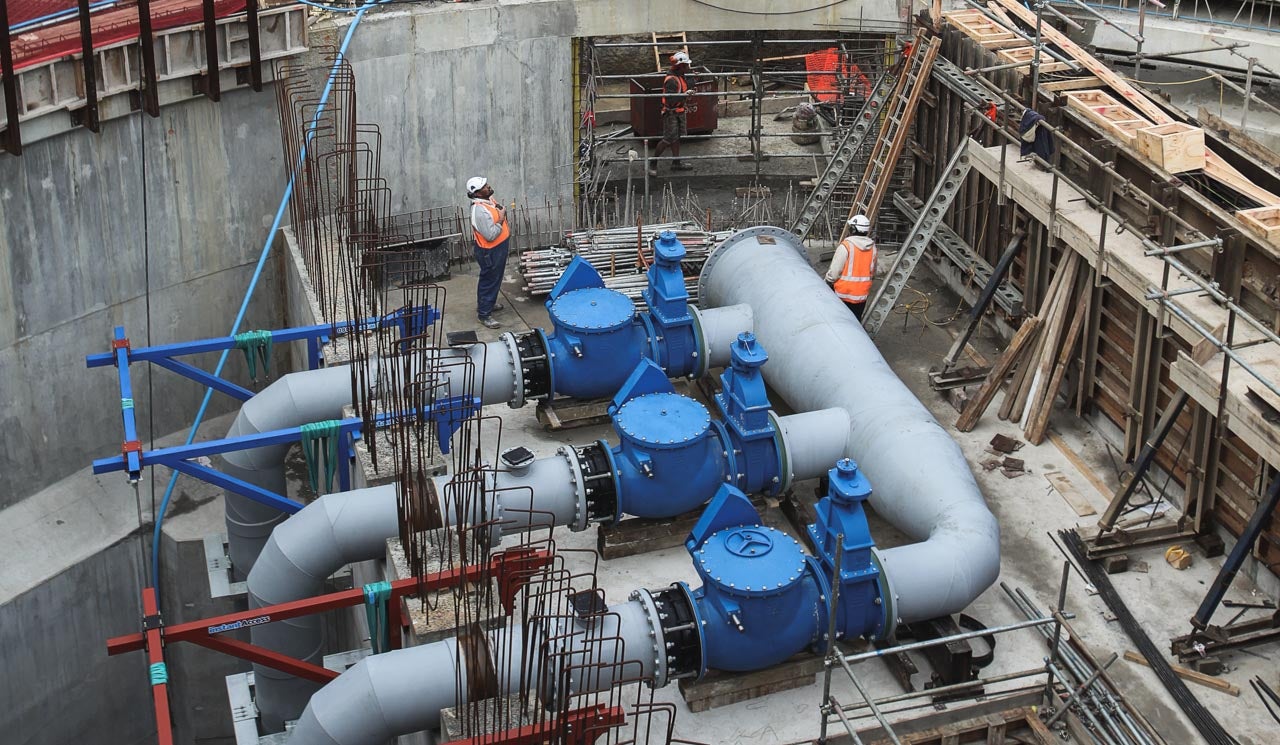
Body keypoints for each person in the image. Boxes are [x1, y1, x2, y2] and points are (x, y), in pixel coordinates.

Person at [467, 176, 509, 329]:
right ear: (477, 193)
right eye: (484, 186)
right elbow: (490, 235)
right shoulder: (479, 210)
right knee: (489, 280)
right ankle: (484, 314)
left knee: (495, 279)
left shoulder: (488, 198)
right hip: (490, 251)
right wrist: (501, 219)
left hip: (498, 248)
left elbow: (496, 208)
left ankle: (488, 303)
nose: (488, 187)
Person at [648, 52, 695, 177]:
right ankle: (653, 163)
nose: (688, 68)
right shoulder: (671, 80)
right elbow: (670, 99)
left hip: (679, 111)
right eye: (686, 66)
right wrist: (685, 95)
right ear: (680, 66)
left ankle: (676, 162)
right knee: (668, 139)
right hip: (671, 113)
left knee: (676, 137)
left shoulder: (680, 76)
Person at [825, 214, 878, 321]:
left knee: (840, 322)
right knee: (855, 323)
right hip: (861, 297)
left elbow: (834, 273)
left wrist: (827, 282)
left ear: (853, 229)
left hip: (843, 295)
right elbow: (872, 273)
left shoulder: (846, 246)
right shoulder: (873, 248)